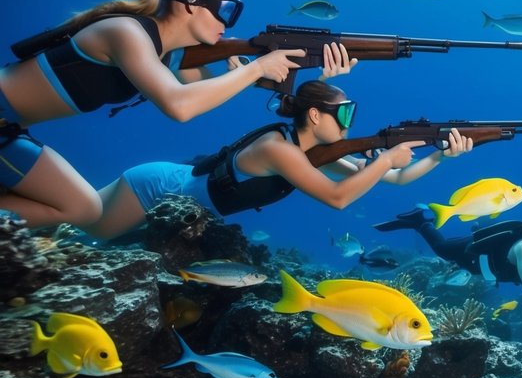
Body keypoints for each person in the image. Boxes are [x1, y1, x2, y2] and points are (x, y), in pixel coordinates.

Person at [0, 0, 309, 227]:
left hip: (10, 130)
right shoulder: (126, 32)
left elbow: (203, 91)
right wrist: (254, 70)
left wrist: (306, 71)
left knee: (85, 209)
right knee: (83, 209)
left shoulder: (167, 56)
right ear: (190, 2)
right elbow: (180, 106)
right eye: (226, 9)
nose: (227, 24)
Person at [81, 45, 473, 239]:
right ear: (316, 115)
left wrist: (440, 155)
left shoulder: (311, 152)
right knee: (83, 227)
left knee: (82, 224)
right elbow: (339, 198)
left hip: (183, 203)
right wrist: (385, 160)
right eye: (346, 114)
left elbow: (396, 180)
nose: (351, 124)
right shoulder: (278, 149)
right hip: (156, 189)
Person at [375, 198, 522, 300]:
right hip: (473, 257)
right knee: (441, 248)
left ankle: (419, 220)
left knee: (441, 249)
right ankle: (420, 220)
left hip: (490, 272)